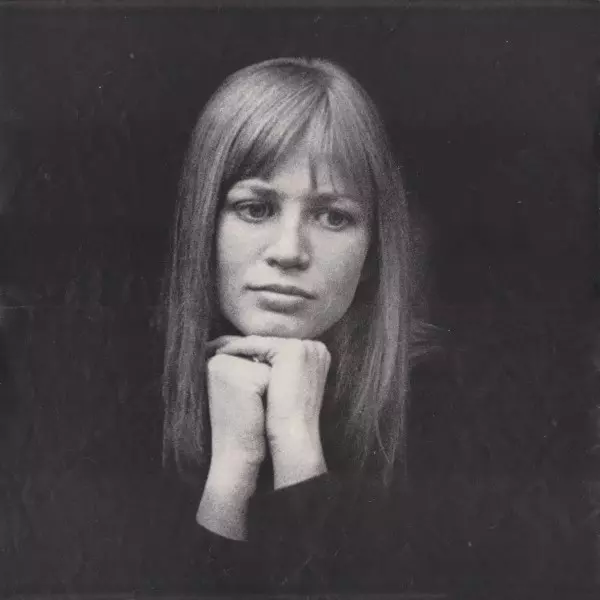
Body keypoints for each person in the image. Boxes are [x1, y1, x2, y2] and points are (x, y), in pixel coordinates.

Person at [158, 57, 590, 595]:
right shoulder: (132, 405)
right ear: (203, 225)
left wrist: (294, 438)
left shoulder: (452, 415)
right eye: (256, 208)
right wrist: (233, 467)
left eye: (333, 216)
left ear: (371, 252)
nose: (289, 251)